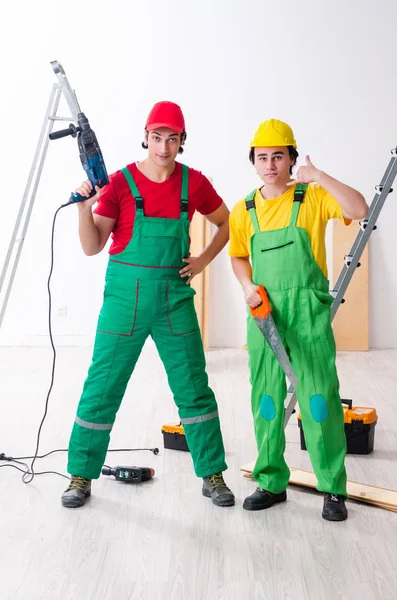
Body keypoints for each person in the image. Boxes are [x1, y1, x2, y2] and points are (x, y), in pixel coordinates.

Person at [61, 101, 234, 509]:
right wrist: (84, 207)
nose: (163, 147)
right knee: (102, 386)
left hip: (174, 299)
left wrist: (204, 260)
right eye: (157, 137)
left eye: (172, 138)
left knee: (193, 387)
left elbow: (227, 223)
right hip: (125, 300)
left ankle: (213, 474)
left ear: (182, 141)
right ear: (146, 136)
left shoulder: (195, 184)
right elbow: (91, 246)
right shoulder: (119, 183)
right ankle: (80, 476)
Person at [229, 119, 368, 521]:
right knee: (268, 400)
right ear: (253, 162)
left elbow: (358, 209)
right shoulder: (245, 209)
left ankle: (332, 489)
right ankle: (271, 481)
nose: (270, 164)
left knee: (318, 399)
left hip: (307, 310)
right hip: (264, 311)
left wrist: (319, 175)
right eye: (262, 157)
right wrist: (246, 284)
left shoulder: (312, 197)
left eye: (278, 156)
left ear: (291, 158)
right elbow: (238, 255)